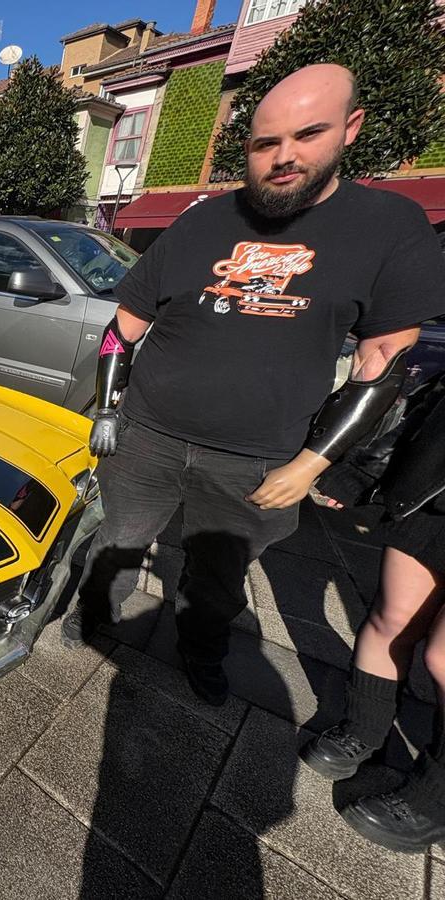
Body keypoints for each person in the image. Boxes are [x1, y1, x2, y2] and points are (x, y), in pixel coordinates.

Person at [61, 63, 445, 707]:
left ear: (350, 129)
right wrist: (105, 410)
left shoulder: (387, 226)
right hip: (146, 435)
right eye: (265, 144)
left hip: (260, 456)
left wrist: (313, 462)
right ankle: (93, 613)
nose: (283, 157)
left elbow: (385, 362)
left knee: (218, 575)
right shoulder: (201, 221)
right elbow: (121, 329)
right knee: (116, 540)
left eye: (306, 135)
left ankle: (200, 648)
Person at [300, 374, 445, 851]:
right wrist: (364, 471)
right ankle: (365, 730)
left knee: (443, 659)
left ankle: (435, 799)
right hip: (434, 496)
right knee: (391, 618)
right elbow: (433, 402)